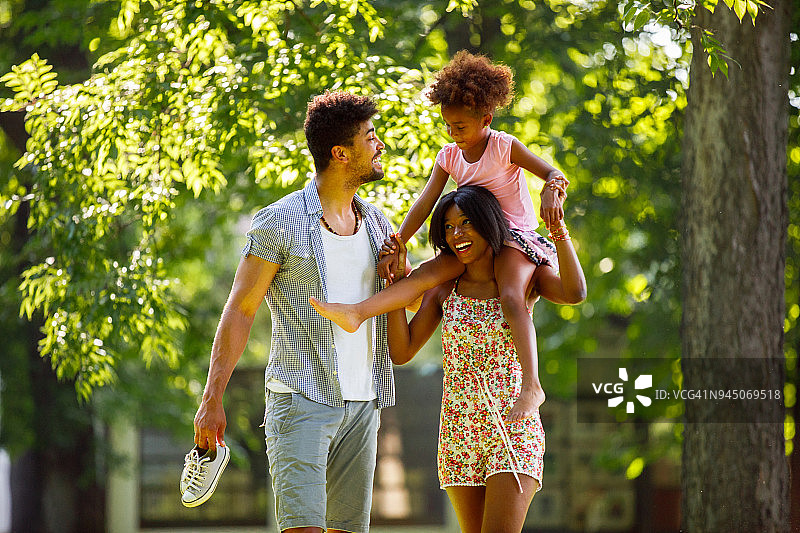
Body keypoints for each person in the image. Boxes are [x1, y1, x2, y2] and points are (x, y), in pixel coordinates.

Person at [310, 50, 570, 422]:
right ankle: (357, 313)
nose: (453, 133)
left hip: (513, 238)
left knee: (512, 296)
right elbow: (424, 203)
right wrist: (399, 238)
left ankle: (532, 385)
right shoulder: (448, 156)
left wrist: (551, 190)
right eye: (448, 125)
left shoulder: (504, 146)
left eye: (460, 126)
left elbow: (553, 173)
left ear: (486, 119)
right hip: (475, 239)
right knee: (424, 277)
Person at [189, 90, 398, 533]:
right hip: (300, 399)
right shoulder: (279, 222)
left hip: (364, 403)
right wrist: (212, 398)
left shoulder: (380, 225)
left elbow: (405, 301)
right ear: (340, 153)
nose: (381, 145)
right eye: (371, 136)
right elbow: (241, 310)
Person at [385, 186, 585, 533]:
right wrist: (392, 290)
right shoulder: (443, 288)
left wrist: (559, 231)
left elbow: (574, 292)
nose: (457, 234)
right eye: (448, 227)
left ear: (488, 224)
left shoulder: (524, 277)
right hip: (459, 430)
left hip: (513, 423)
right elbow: (402, 353)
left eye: (466, 223)